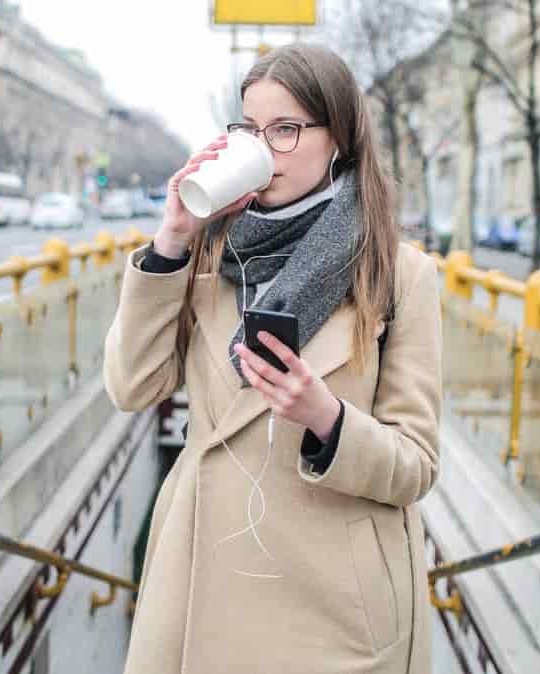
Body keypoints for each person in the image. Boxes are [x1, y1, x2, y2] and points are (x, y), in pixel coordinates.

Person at [103, 44, 442, 674]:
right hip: (203, 585)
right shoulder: (206, 255)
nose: (264, 150)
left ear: (338, 138)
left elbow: (416, 466)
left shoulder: (400, 274)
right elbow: (132, 387)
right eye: (250, 130)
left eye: (285, 130)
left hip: (334, 607)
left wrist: (327, 420)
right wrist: (171, 240)